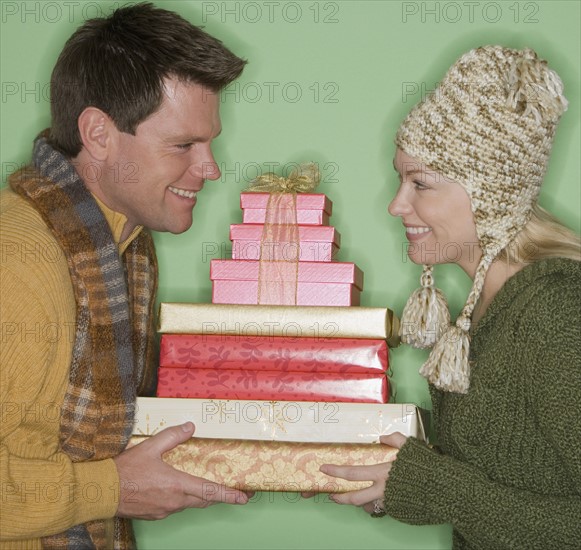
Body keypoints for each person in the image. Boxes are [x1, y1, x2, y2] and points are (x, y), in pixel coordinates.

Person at [0, 3, 250, 548]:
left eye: (209, 142)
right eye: (183, 145)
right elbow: (111, 478)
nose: (211, 168)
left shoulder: (122, 249)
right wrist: (110, 489)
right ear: (99, 134)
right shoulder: (17, 264)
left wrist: (280, 449)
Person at [319, 46, 581, 549]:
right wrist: (399, 483)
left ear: (491, 192)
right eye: (401, 179)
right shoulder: (489, 307)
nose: (397, 205)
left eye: (421, 183)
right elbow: (515, 477)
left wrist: (442, 490)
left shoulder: (558, 312)